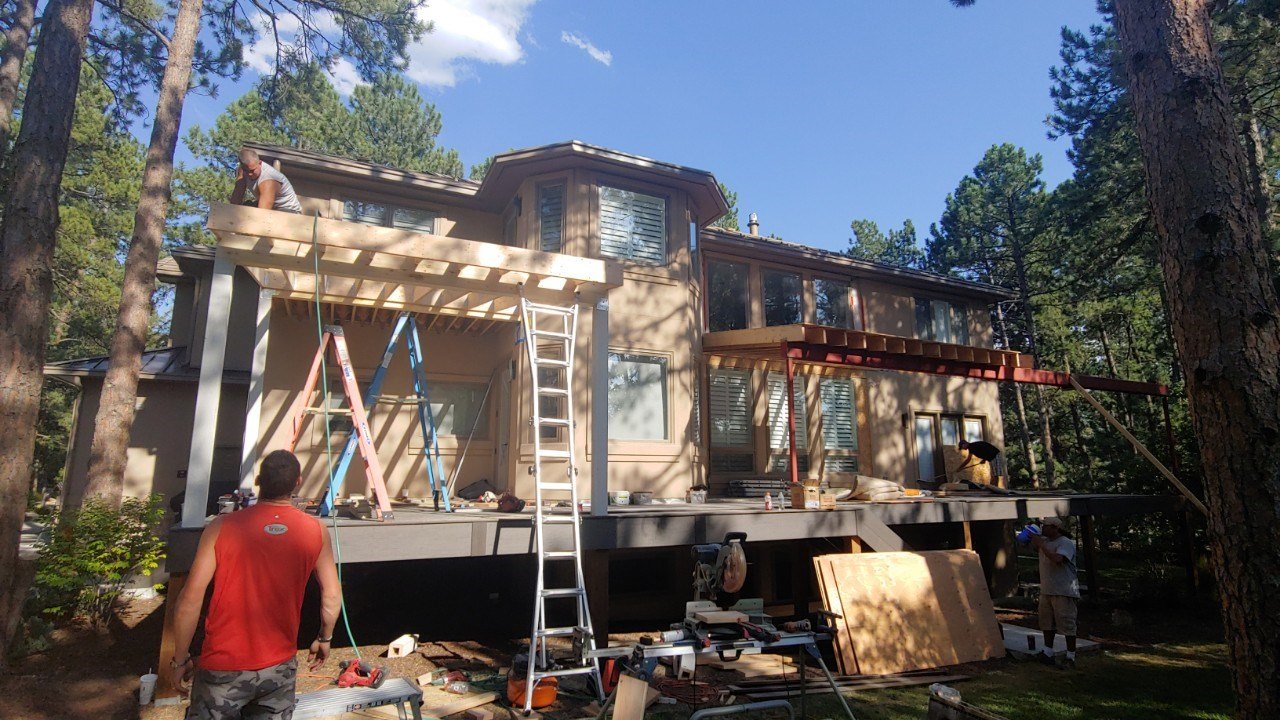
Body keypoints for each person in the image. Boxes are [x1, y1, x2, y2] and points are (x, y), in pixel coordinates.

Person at [169, 450, 342, 719]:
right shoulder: (315, 530)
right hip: (278, 669)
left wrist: (179, 659)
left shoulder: (221, 527)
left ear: (259, 480)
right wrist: (324, 637)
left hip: (222, 670)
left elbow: (189, 600)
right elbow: (331, 596)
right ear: (298, 481)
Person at [1030, 516, 1080, 669]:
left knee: (1066, 624)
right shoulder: (1045, 542)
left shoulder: (1065, 543)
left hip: (1063, 590)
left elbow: (1058, 559)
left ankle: (1070, 657)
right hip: (1047, 589)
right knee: (1047, 623)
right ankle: (1048, 652)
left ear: (1054, 528)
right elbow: (1028, 544)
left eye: (1045, 526)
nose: (1042, 528)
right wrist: (1033, 539)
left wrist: (1041, 545)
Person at [231, 148, 303, 214]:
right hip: (272, 208)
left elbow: (262, 214)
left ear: (260, 163)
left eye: (252, 170)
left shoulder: (268, 179)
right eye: (246, 171)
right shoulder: (242, 171)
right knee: (245, 208)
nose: (249, 174)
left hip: (290, 212)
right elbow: (236, 198)